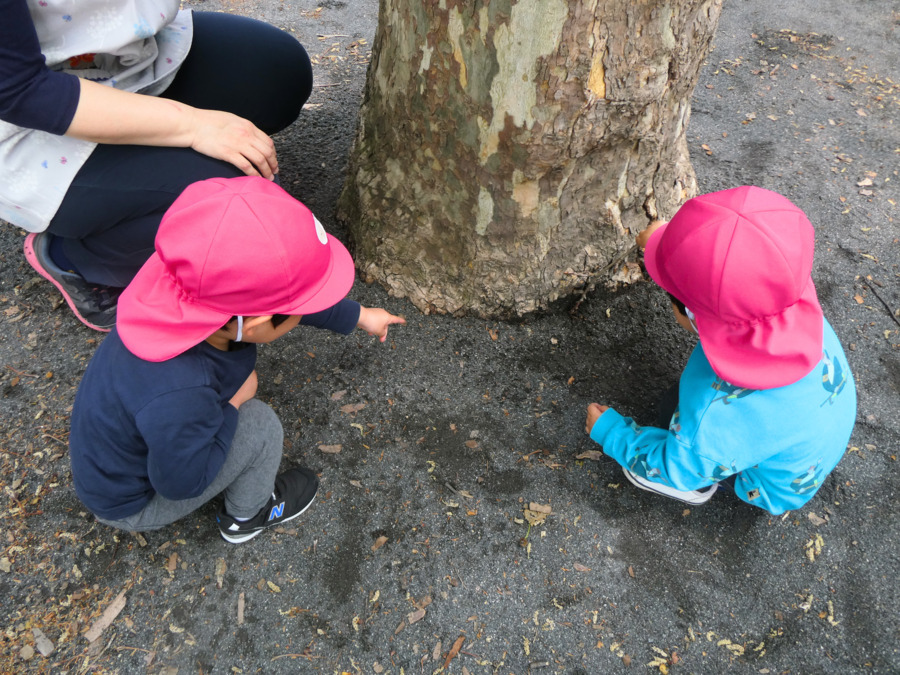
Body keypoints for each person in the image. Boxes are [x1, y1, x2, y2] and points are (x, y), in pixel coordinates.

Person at [68, 176, 406, 543]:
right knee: (260, 426)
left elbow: (283, 296)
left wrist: (359, 316)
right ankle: (247, 517)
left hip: (122, 452)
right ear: (258, 322)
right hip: (136, 502)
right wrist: (233, 404)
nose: (301, 312)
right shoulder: (181, 392)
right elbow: (181, 484)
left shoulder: (179, 284)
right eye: (295, 310)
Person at [1, 0, 313, 330]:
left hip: (121, 56)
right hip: (28, 124)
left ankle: (159, 178)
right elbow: (20, 90)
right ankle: (79, 257)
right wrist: (194, 125)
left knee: (280, 70)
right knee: (233, 201)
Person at [584, 186, 856, 515]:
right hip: (811, 443)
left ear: (691, 314)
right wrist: (664, 242)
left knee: (671, 411)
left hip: (769, 486)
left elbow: (677, 466)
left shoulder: (714, 411)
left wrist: (613, 434)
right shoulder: (787, 298)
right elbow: (734, 261)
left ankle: (700, 486)